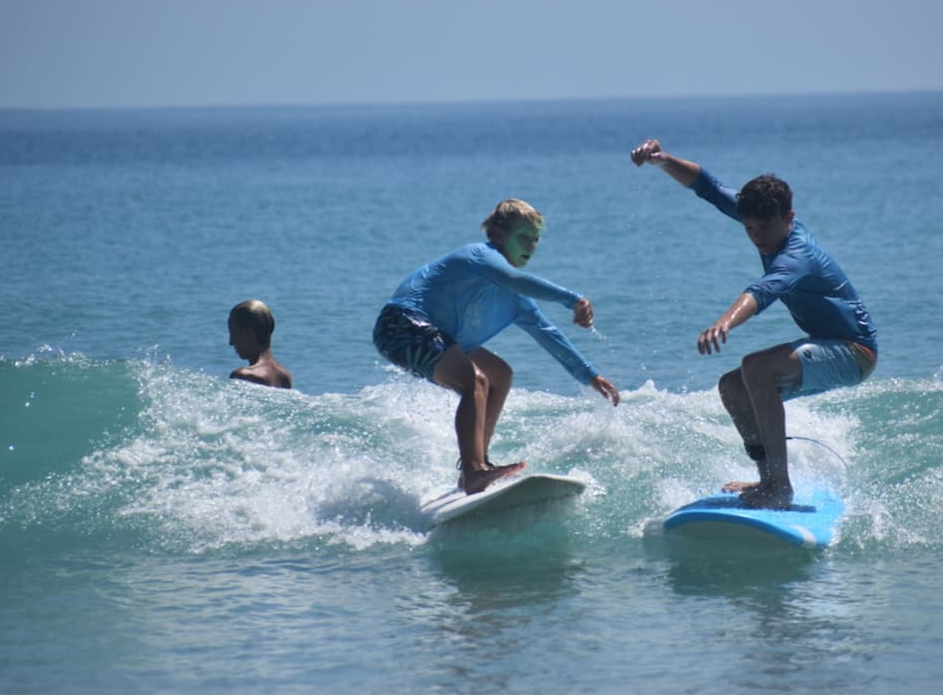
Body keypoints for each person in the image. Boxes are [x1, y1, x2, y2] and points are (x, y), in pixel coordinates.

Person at [630, 139, 877, 509]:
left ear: (789, 218)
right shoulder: (759, 219)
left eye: (765, 228)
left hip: (854, 350)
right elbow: (708, 187)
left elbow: (762, 292)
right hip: (827, 344)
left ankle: (780, 486)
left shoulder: (798, 254)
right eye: (749, 228)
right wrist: (662, 161)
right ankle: (768, 480)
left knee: (756, 367)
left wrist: (725, 323)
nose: (757, 237)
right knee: (732, 386)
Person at [373, 199, 620, 495]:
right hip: (401, 325)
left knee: (500, 375)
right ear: (499, 234)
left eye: (535, 240)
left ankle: (476, 467)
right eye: (523, 238)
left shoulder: (515, 300)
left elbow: (549, 335)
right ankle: (474, 470)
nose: (530, 246)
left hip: (437, 335)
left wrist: (590, 376)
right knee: (474, 380)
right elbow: (513, 278)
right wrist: (573, 299)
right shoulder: (480, 255)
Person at [228, 299, 293, 389]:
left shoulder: (243, 376)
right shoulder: (284, 376)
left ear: (249, 333)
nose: (231, 342)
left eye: (234, 334)